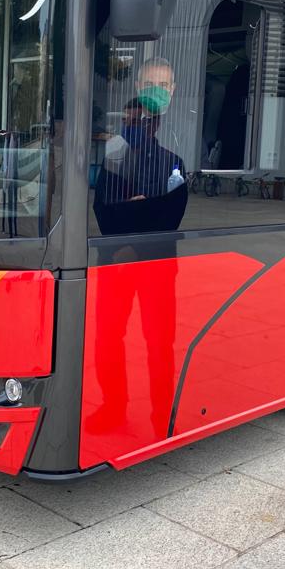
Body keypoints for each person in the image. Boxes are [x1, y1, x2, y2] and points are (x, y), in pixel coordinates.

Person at [90, 58, 188, 436]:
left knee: (160, 341)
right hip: (114, 257)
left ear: (173, 90)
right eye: (149, 81)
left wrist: (142, 209)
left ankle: (162, 415)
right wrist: (144, 211)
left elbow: (175, 211)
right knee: (107, 336)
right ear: (137, 83)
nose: (156, 89)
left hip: (159, 261)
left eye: (163, 84)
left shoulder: (179, 141)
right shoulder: (119, 141)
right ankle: (113, 408)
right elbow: (104, 205)